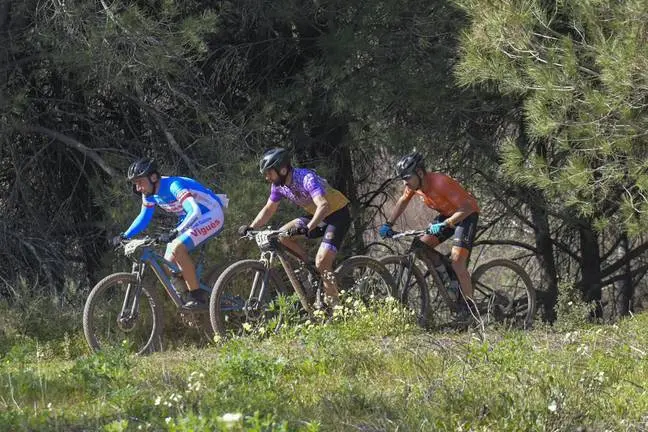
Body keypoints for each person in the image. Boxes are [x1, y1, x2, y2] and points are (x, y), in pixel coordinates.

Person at [238, 148, 351, 307]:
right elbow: (269, 209)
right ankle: (309, 267)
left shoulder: (306, 178)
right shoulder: (278, 186)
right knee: (281, 235)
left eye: (269, 173)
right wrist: (251, 227)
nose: (266, 177)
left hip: (337, 215)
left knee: (323, 261)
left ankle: (336, 307)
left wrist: (308, 227)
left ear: (282, 169)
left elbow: (324, 205)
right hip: (317, 216)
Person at [113, 158, 228, 309]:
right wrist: (125, 235)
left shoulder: (174, 185)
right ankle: (190, 291)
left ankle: (197, 295)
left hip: (210, 214)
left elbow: (195, 211)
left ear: (153, 178)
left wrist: (176, 232)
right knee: (167, 263)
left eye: (140, 182)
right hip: (191, 218)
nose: (138, 188)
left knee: (177, 247)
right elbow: (144, 217)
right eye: (135, 184)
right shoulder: (149, 193)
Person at [378, 151, 479, 319]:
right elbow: (403, 201)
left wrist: (446, 224)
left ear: (419, 172)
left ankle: (470, 311)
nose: (405, 182)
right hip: (447, 215)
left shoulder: (440, 182)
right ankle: (450, 279)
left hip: (466, 214)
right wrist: (388, 224)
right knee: (421, 246)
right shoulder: (414, 185)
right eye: (402, 179)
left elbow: (467, 207)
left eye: (407, 177)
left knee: (457, 261)